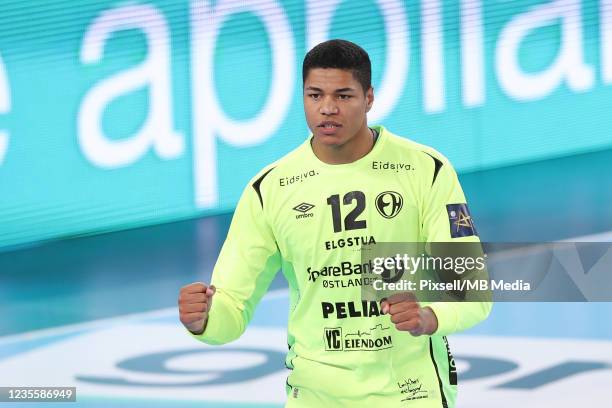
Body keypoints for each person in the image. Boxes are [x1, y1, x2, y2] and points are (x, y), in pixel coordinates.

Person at [179, 39, 491, 407]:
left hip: (409, 392)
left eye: (344, 96)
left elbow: (471, 292)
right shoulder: (270, 188)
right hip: (315, 394)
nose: (327, 109)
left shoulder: (426, 171)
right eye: (315, 95)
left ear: (369, 98)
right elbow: (232, 306)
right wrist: (203, 321)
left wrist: (429, 316)